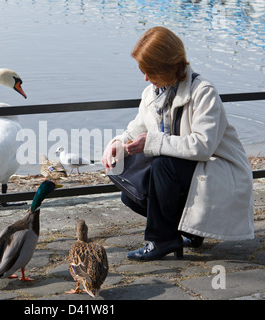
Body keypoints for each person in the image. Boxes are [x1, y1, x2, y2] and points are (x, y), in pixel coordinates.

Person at [102, 26, 254, 261]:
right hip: (187, 171)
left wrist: (152, 142)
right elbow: (136, 128)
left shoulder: (203, 92)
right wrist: (119, 143)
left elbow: (203, 147)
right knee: (132, 192)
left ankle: (161, 240)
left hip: (219, 170)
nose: (144, 77)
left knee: (163, 164)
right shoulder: (152, 93)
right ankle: (188, 232)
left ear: (168, 66)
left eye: (149, 70)